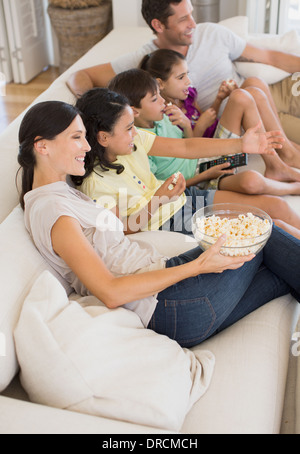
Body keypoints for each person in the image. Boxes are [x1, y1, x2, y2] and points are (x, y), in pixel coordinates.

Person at [18, 100, 300, 348]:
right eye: (76, 137)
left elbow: (121, 232)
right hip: (168, 304)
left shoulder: (59, 194)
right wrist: (199, 267)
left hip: (170, 290)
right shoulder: (54, 211)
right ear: (42, 146)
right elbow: (110, 291)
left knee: (279, 272)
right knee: (262, 233)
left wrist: (159, 202)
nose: (87, 146)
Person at [66, 0, 300, 177]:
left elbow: (269, 55)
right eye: (183, 19)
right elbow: (82, 75)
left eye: (191, 14)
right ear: (159, 25)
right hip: (236, 118)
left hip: (264, 103)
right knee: (248, 91)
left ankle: (286, 154)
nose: (193, 24)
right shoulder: (148, 59)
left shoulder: (212, 33)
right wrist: (84, 111)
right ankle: (286, 156)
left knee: (254, 85)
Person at [74, 86, 300, 239]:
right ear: (103, 137)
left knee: (277, 206)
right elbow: (121, 230)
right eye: (128, 128)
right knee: (273, 228)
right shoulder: (95, 184)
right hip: (171, 222)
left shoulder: (134, 141)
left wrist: (241, 144)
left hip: (185, 200)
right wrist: (159, 200)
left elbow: (186, 147)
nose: (135, 131)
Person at [139, 49, 300, 196]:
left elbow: (188, 143)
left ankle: (280, 160)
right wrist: (206, 173)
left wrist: (217, 101)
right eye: (181, 77)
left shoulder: (178, 104)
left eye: (187, 74)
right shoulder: (156, 119)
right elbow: (186, 148)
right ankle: (287, 170)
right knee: (251, 181)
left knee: (244, 93)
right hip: (204, 171)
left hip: (209, 151)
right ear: (160, 84)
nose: (188, 81)